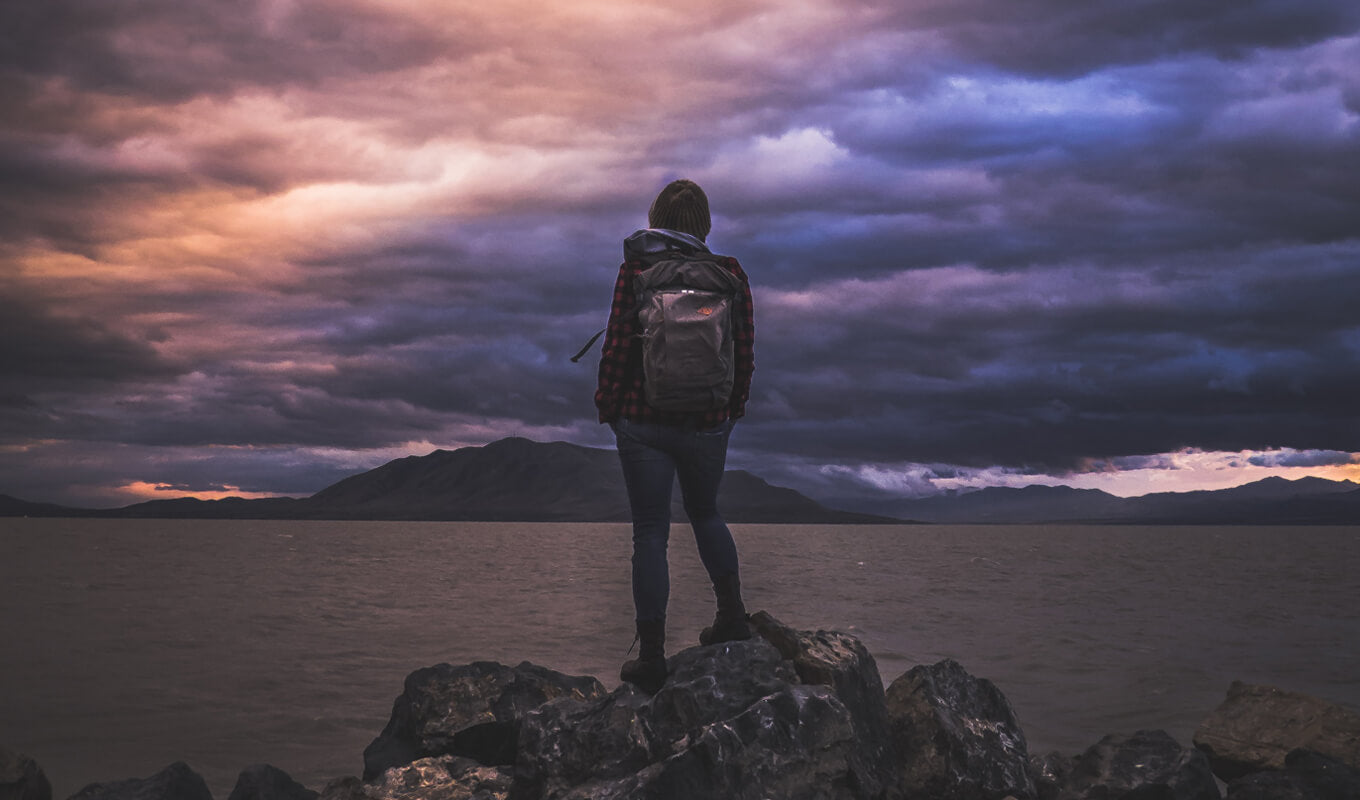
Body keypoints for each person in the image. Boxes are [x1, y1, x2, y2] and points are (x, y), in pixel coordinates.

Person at [594, 179, 756, 694]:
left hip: (643, 424)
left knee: (650, 531)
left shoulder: (636, 270)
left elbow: (618, 344)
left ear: (656, 216)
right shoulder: (729, 274)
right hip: (709, 421)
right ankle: (731, 616)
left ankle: (652, 657)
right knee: (706, 513)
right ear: (703, 223)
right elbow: (744, 349)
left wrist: (610, 407)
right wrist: (731, 410)